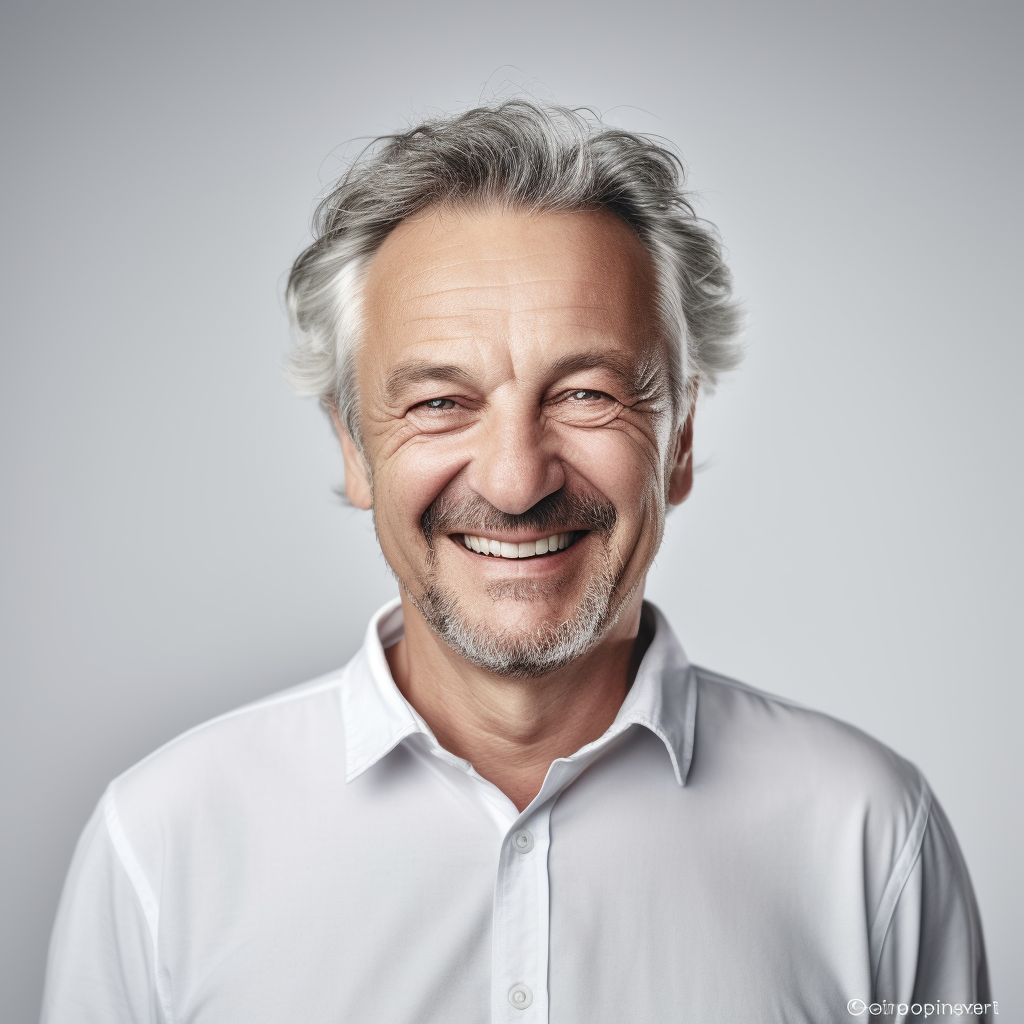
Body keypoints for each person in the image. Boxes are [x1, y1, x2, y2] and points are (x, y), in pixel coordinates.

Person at [41, 101, 991, 1024]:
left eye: (586, 394)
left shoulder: (874, 835)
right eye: (438, 403)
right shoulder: (160, 846)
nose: (513, 480)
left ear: (681, 440)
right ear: (352, 450)